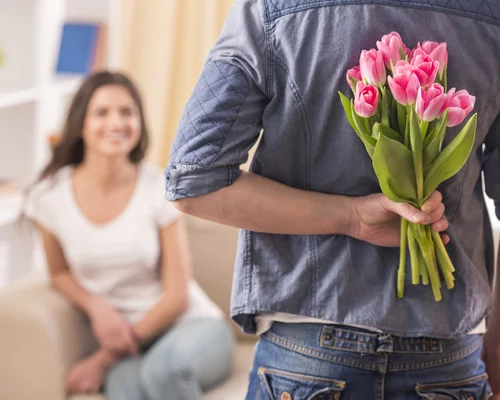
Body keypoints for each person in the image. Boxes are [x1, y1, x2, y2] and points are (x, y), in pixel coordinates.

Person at [165, 0, 500, 398]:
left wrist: (351, 217)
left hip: (305, 348)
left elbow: (193, 182)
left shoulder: (272, 8)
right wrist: (495, 350)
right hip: (449, 351)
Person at [24, 71, 234, 400]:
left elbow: (177, 297)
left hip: (193, 327)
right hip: (134, 347)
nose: (116, 123)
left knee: (162, 372)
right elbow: (59, 272)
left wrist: (105, 357)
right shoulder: (48, 198)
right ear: (80, 123)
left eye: (127, 112)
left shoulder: (160, 189)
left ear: (140, 123)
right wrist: (98, 309)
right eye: (101, 112)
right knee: (124, 386)